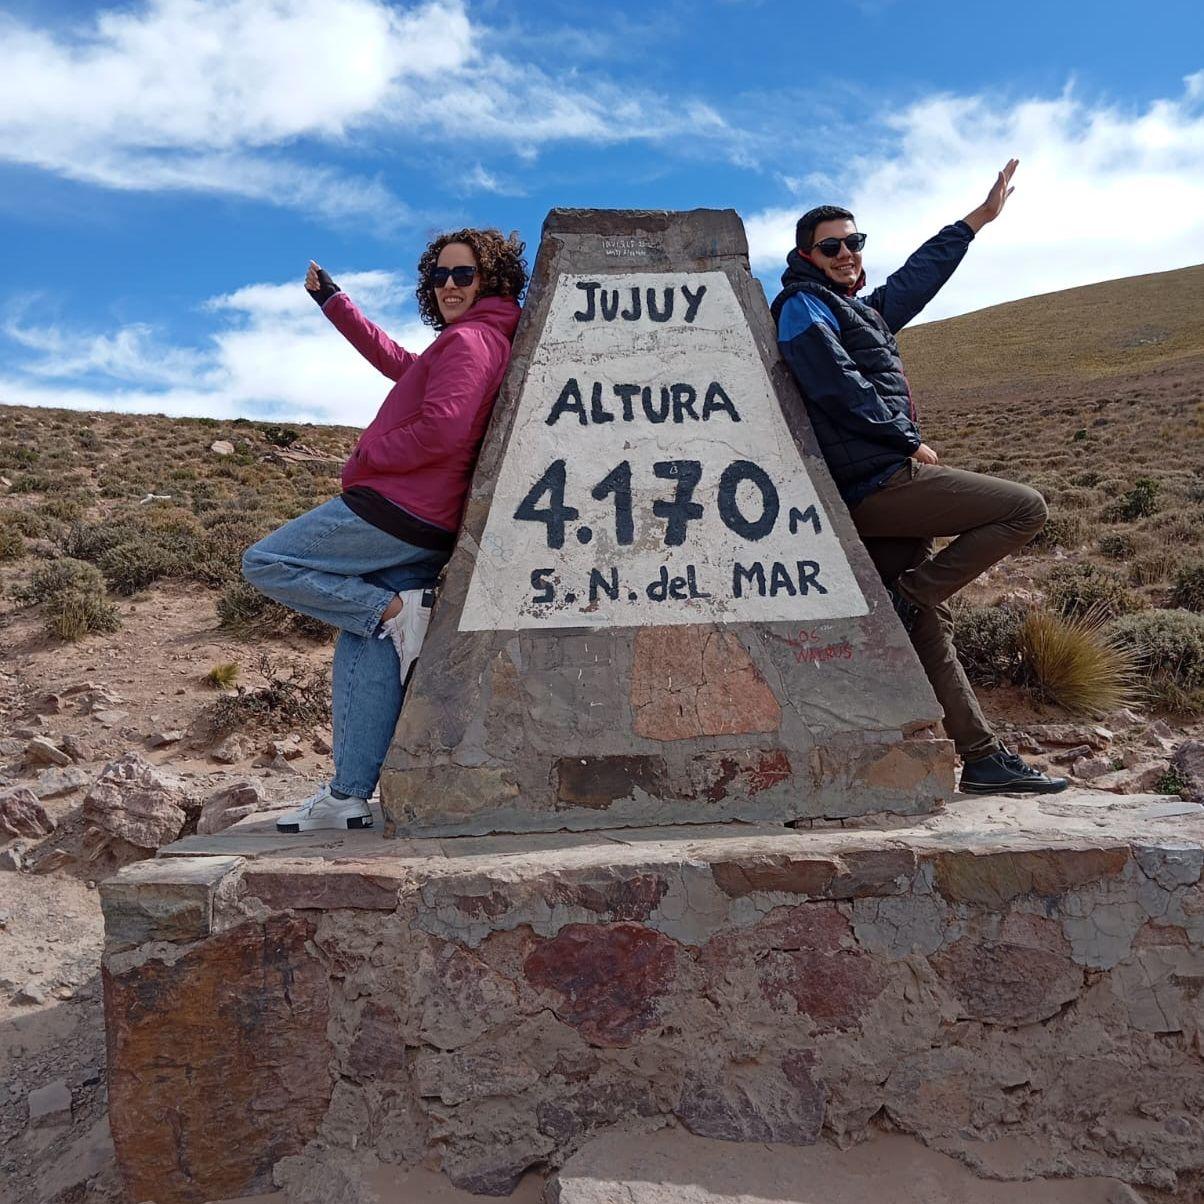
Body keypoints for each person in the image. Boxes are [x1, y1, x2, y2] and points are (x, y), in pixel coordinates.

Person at [771, 160, 1067, 796]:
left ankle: (982, 758)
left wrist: (976, 222)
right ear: (806, 255)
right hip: (875, 483)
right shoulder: (802, 307)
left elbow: (917, 278)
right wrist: (906, 440)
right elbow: (834, 384)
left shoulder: (859, 313)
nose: (848, 252)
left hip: (881, 480)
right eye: (833, 245)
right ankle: (916, 592)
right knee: (1024, 509)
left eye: (856, 241)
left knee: (928, 625)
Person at [242, 229, 527, 831]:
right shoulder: (478, 340)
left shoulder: (470, 342)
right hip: (427, 521)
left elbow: (443, 430)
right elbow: (400, 364)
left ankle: (396, 609)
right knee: (366, 635)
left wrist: (367, 456)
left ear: (492, 280)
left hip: (398, 508)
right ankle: (349, 795)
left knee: (267, 563)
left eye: (464, 275)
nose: (449, 286)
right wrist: (336, 305)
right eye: (440, 276)